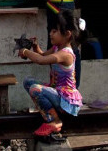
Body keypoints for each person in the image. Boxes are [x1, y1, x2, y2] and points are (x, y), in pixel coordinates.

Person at [18, 9, 83, 137]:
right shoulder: (56, 48)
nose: (50, 34)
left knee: (35, 89)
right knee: (28, 81)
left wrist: (25, 51)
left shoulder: (66, 54)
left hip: (66, 101)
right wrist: (35, 47)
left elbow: (41, 60)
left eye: (55, 31)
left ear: (67, 34)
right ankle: (50, 111)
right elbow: (42, 55)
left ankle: (54, 120)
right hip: (57, 93)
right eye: (51, 30)